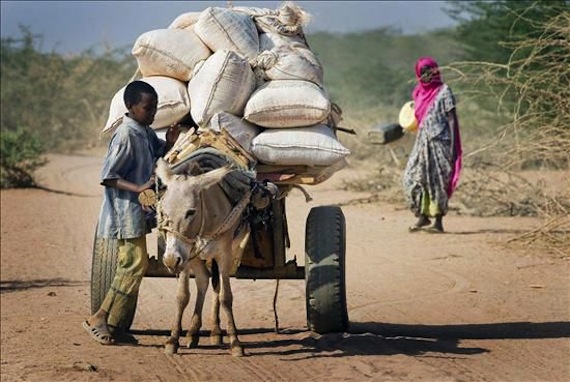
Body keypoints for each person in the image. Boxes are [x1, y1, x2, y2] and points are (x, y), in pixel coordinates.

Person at [83, 80, 180, 345]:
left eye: (155, 108)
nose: (153, 113)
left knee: (133, 263)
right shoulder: (126, 134)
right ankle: (99, 318)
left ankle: (115, 325)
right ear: (130, 107)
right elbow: (109, 176)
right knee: (135, 262)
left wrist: (170, 142)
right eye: (148, 108)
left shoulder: (144, 130)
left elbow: (159, 152)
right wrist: (138, 188)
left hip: (136, 210)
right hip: (124, 210)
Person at [403, 57, 462, 233]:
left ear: (436, 72)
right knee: (413, 178)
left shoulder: (444, 91)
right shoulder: (418, 93)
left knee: (437, 182)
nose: (427, 76)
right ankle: (422, 216)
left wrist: (453, 149)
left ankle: (437, 221)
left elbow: (451, 119)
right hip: (422, 144)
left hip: (441, 143)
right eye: (423, 73)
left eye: (430, 72)